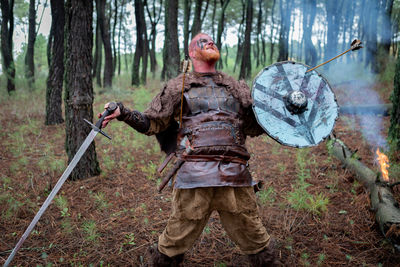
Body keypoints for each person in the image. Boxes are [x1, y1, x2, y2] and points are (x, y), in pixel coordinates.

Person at [99, 33, 278, 267]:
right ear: (192, 53)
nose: (211, 42)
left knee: (257, 240)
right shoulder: (178, 87)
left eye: (213, 40)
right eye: (203, 42)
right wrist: (123, 113)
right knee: (172, 244)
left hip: (234, 176)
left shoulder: (236, 88)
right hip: (195, 177)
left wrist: (281, 109)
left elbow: (257, 126)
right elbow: (152, 122)